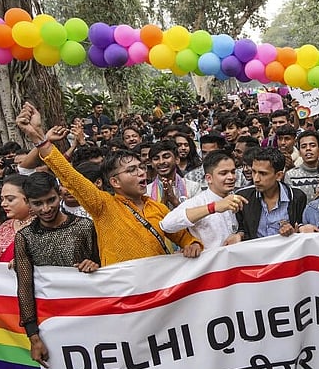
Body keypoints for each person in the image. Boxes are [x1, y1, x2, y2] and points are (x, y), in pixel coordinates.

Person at [16, 103, 202, 265]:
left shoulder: (157, 208)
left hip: (157, 292)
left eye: (140, 167)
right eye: (131, 170)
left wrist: (192, 244)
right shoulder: (103, 205)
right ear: (114, 182)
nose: (140, 172)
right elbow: (70, 176)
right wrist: (37, 136)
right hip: (122, 296)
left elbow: (182, 235)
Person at [15, 172, 99, 368]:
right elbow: (25, 286)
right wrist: (33, 336)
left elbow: (105, 268)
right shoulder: (24, 237)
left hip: (90, 316)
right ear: (28, 202)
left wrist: (95, 266)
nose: (46, 208)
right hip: (51, 322)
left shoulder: (85, 227)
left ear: (60, 194)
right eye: (38, 203)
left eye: (51, 200)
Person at [159, 151, 245, 249]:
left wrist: (239, 235)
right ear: (209, 178)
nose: (231, 177)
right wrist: (212, 208)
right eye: (223, 173)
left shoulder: (238, 197)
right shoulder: (198, 201)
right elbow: (166, 225)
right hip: (208, 262)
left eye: (233, 172)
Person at [234, 147, 306, 241]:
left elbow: (302, 228)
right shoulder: (243, 197)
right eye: (254, 172)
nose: (256, 179)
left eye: (263, 174)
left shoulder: (296, 197)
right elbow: (241, 228)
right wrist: (239, 235)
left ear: (279, 175)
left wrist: (294, 231)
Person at [0, 174, 34, 262]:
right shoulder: (5, 227)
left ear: (28, 199)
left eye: (10, 199)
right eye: (2, 199)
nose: (3, 204)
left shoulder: (42, 226)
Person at [147, 140, 188, 210]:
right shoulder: (146, 192)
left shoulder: (193, 187)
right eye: (156, 159)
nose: (161, 162)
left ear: (177, 159)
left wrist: (174, 201)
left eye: (166, 157)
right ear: (151, 163)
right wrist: (163, 201)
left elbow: (197, 218)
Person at [284, 131, 319, 200]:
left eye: (312, 145)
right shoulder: (291, 175)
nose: (308, 149)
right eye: (303, 146)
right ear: (299, 152)